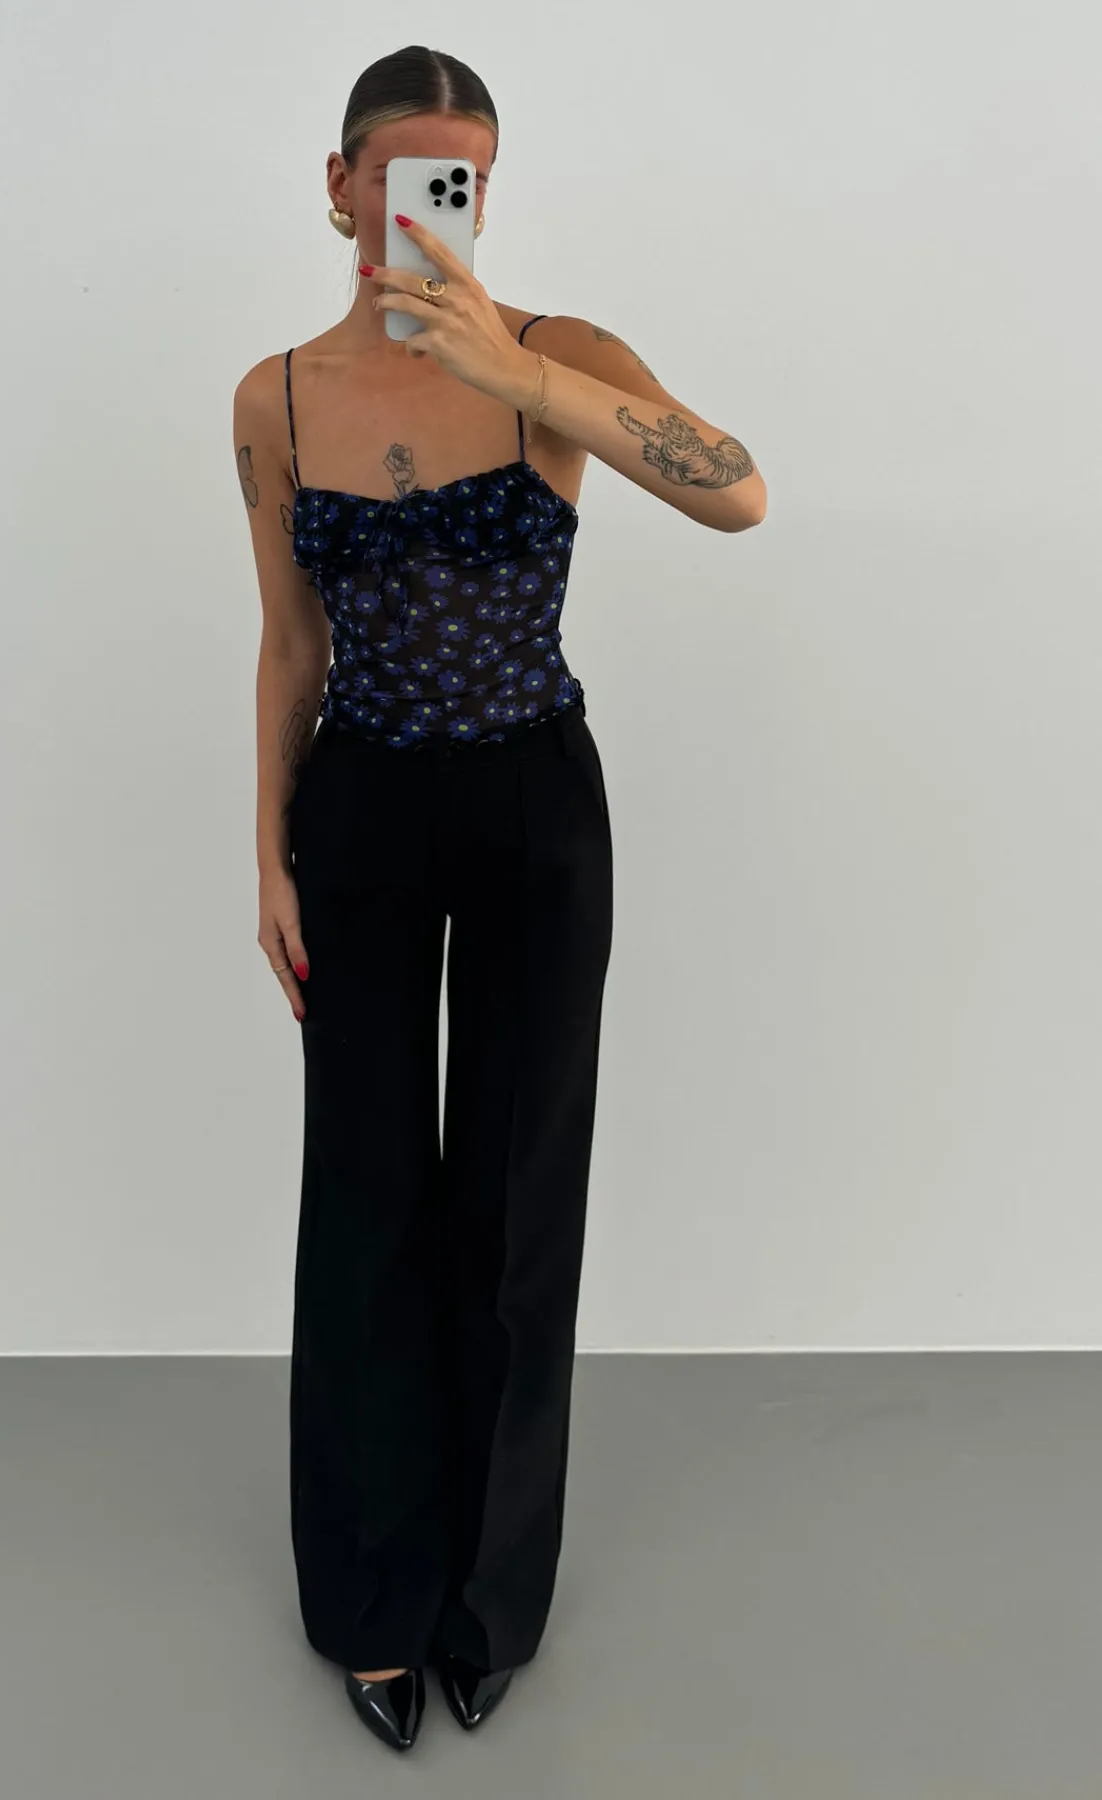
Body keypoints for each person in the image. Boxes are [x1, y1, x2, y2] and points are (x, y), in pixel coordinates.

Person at [233, 43, 766, 1753]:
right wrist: (266, 853)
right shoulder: (275, 399)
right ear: (340, 187)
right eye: (400, 177)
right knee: (365, 1196)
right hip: (362, 807)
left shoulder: (558, 356)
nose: (426, 208)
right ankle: (369, 1599)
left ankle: (487, 1598)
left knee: (522, 1198)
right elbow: (290, 642)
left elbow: (735, 492)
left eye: (459, 180)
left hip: (535, 794)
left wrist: (509, 371)